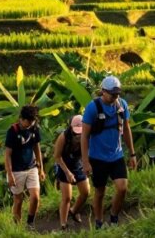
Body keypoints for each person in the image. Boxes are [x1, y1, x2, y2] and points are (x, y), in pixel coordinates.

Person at [81, 76, 137, 229]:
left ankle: (113, 217)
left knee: (122, 187)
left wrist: (132, 154)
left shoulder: (121, 106)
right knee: (100, 191)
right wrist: (85, 162)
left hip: (116, 155)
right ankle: (99, 221)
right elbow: (84, 136)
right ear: (103, 92)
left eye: (117, 93)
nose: (115, 97)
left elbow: (126, 129)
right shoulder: (92, 108)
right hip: (97, 157)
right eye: (112, 94)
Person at [5, 105, 44, 229]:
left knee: (35, 197)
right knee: (18, 200)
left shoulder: (34, 128)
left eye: (33, 122)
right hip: (16, 170)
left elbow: (37, 148)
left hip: (31, 167)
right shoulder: (13, 131)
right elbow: (7, 155)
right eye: (29, 121)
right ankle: (17, 227)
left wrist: (41, 168)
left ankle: (30, 223)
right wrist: (10, 174)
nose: (31, 124)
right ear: (22, 119)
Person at [53, 115, 90, 230]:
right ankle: (63, 224)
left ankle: (74, 211)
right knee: (67, 197)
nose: (78, 135)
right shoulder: (63, 137)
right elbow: (57, 157)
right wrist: (68, 173)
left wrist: (87, 164)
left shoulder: (87, 134)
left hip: (78, 163)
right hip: (63, 164)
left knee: (85, 192)